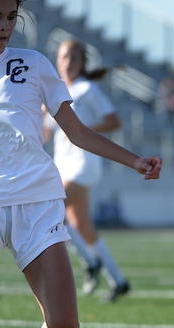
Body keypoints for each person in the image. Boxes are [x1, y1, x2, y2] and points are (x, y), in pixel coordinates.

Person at [0, 0, 162, 328]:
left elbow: (76, 132)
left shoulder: (33, 63)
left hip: (37, 203)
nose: (3, 26)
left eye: (11, 18)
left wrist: (133, 160)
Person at [43, 38, 130, 303]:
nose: (67, 62)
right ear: (57, 61)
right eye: (63, 57)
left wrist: (82, 131)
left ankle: (90, 263)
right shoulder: (52, 92)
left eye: (73, 57)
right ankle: (119, 280)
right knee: (83, 227)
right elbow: (44, 133)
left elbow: (114, 120)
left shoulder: (86, 89)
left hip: (84, 165)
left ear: (82, 63)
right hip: (62, 166)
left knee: (51, 211)